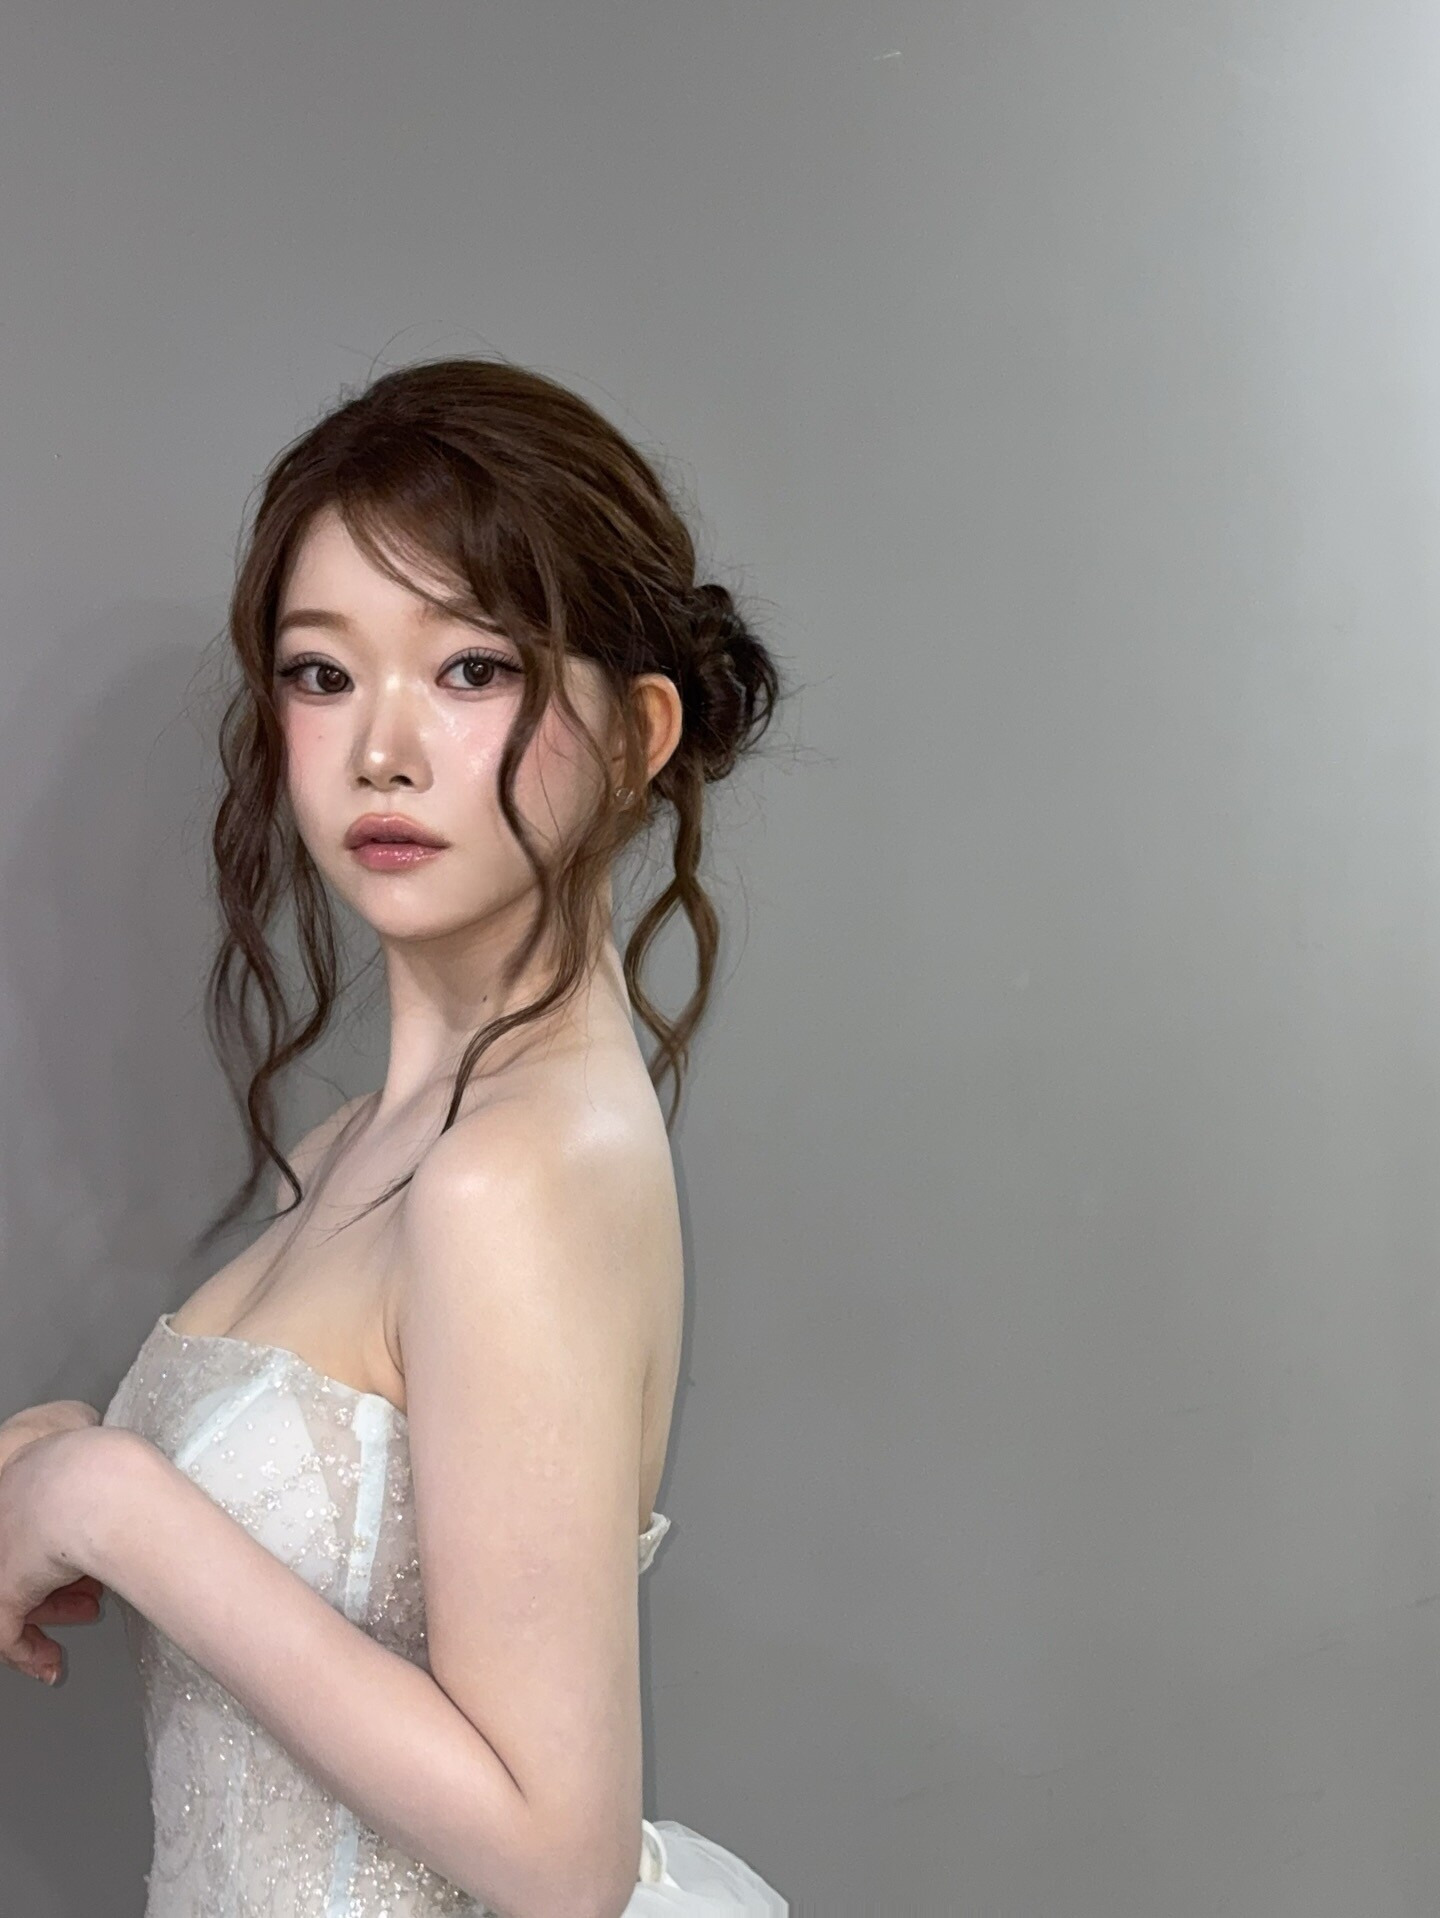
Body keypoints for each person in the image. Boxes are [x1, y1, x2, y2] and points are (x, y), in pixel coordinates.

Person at [0, 358, 791, 1916]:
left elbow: (559, 1858)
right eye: (322, 672)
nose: (383, 747)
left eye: (473, 668)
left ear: (636, 732)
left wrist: (110, 1501)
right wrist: (75, 1450)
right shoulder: (368, 1139)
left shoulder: (508, 1172)